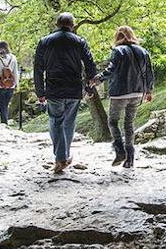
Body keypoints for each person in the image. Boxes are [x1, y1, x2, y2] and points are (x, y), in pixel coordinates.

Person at [34, 13, 97, 175]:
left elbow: (38, 68)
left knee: (55, 121)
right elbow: (90, 65)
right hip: (73, 88)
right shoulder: (79, 41)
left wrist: (40, 91)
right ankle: (64, 156)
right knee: (69, 122)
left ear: (57, 24)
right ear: (72, 25)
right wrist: (89, 88)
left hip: (54, 88)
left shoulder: (44, 41)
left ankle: (61, 157)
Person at [94, 26, 155, 169]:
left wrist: (98, 79)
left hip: (119, 93)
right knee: (129, 124)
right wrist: (149, 90)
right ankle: (130, 159)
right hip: (137, 92)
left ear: (117, 37)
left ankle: (120, 150)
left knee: (113, 122)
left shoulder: (118, 51)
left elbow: (111, 69)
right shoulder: (143, 51)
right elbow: (149, 72)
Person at [0, 41, 21, 125]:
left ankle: (4, 124)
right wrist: (17, 85)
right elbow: (16, 72)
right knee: (5, 106)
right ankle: (5, 123)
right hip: (10, 86)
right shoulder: (13, 58)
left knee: (2, 107)